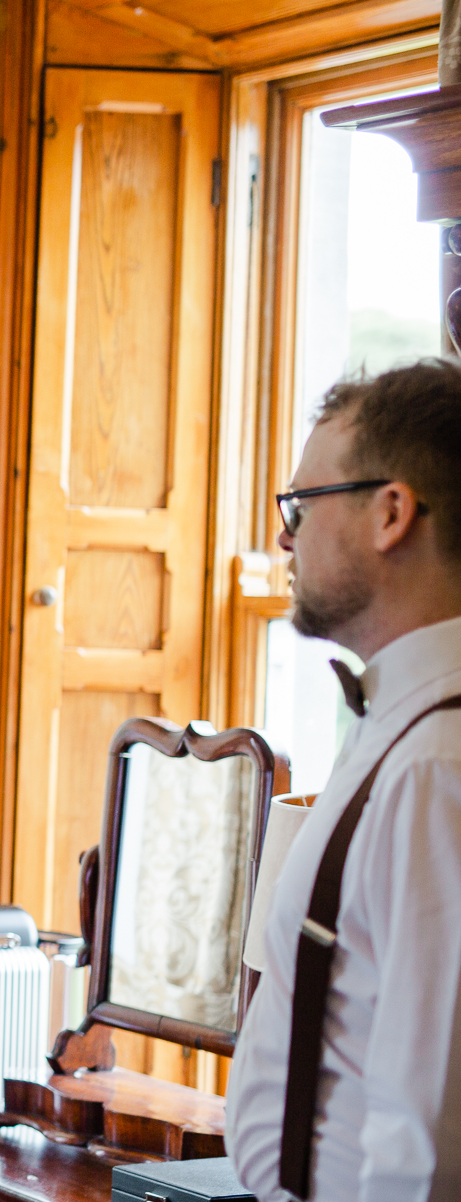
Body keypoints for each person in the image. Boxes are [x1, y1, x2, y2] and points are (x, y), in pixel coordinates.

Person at [227, 358, 461, 1201]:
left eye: (302, 504)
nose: (285, 537)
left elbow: (425, 1130)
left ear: (390, 513)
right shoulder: (403, 728)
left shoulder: (437, 769)